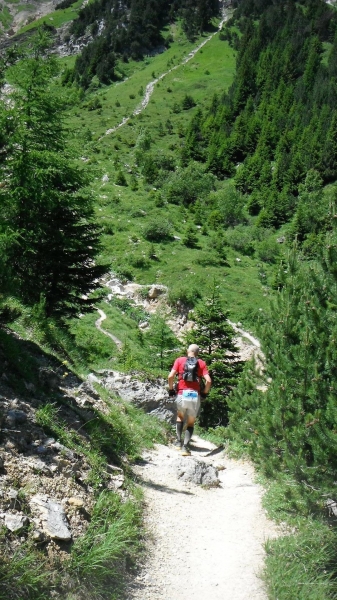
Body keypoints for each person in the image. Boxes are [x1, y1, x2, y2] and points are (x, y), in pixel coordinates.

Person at [168, 344, 211, 456]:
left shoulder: (179, 360)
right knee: (191, 422)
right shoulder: (201, 363)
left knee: (180, 416)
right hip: (194, 396)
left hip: (182, 393)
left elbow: (170, 376)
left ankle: (178, 442)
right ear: (197, 353)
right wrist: (204, 394)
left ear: (188, 351)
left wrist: (171, 390)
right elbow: (208, 381)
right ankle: (185, 447)